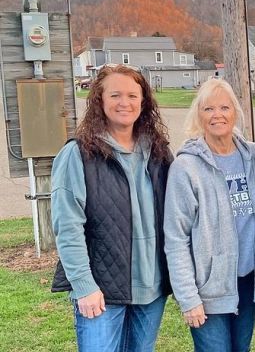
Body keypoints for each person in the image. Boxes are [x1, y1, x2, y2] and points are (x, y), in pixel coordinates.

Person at [50, 64, 173, 351]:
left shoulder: (158, 151)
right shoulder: (78, 154)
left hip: (151, 290)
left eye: (132, 95)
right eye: (115, 95)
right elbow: (67, 226)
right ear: (99, 101)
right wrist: (84, 286)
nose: (124, 103)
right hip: (101, 292)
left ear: (143, 102)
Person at [163, 79, 255, 352]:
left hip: (246, 282)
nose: (217, 115)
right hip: (208, 290)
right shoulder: (186, 168)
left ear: (235, 112)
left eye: (224, 107)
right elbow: (175, 239)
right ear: (199, 116)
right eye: (208, 109)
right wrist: (189, 298)